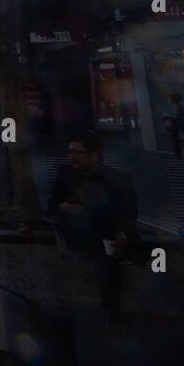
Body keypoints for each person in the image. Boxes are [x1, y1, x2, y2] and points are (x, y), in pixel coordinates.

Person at [44, 130, 139, 334]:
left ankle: (112, 312)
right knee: (104, 255)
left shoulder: (118, 178)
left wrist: (122, 232)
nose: (72, 157)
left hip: (106, 234)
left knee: (107, 258)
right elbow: (52, 205)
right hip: (78, 232)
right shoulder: (65, 174)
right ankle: (111, 312)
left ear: (95, 155)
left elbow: (128, 212)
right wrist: (64, 208)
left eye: (78, 152)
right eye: (69, 152)